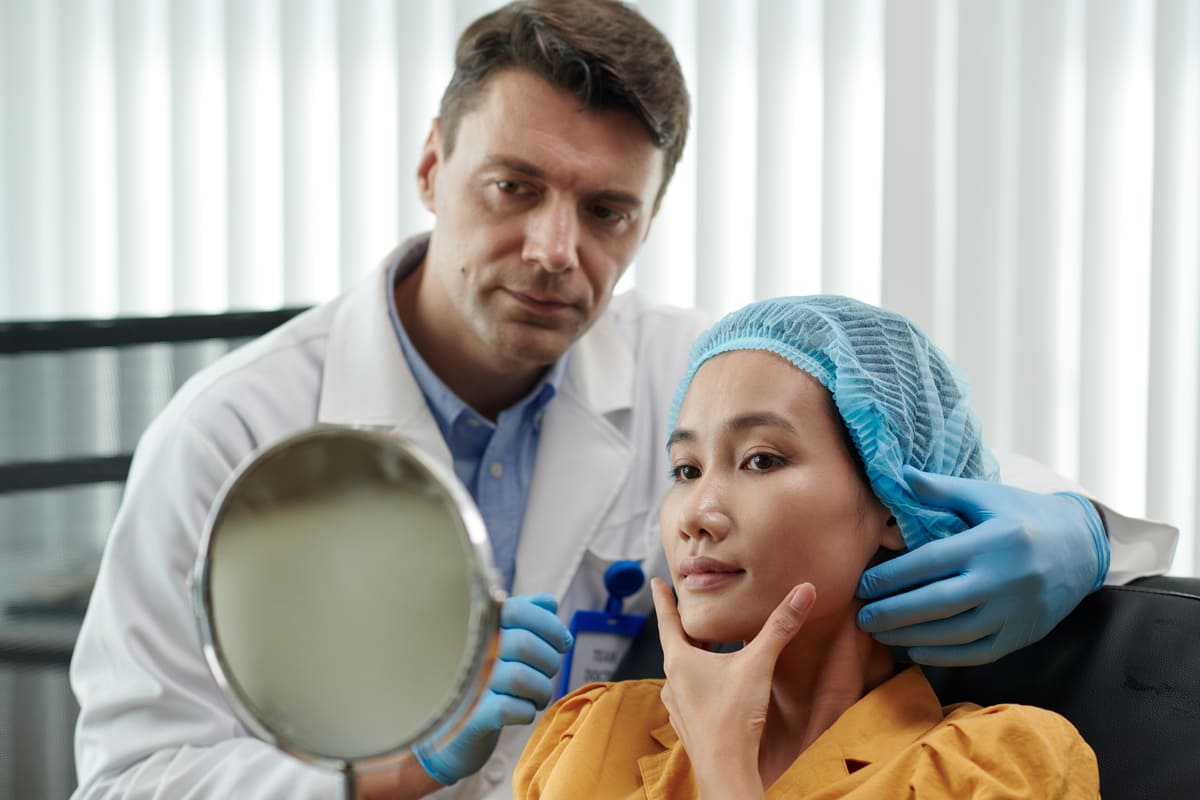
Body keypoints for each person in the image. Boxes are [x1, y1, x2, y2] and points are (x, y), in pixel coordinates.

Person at [68, 1, 1173, 799]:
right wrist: (386, 774)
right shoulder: (234, 434)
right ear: (431, 166)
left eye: (607, 211)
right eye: (514, 188)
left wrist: (1078, 528)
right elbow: (132, 772)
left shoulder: (690, 376)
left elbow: (913, 444)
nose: (557, 250)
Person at [514, 295, 1100, 799]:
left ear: (894, 507)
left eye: (761, 460)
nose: (696, 514)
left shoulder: (991, 769)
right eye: (686, 469)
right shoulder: (591, 735)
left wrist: (725, 769)